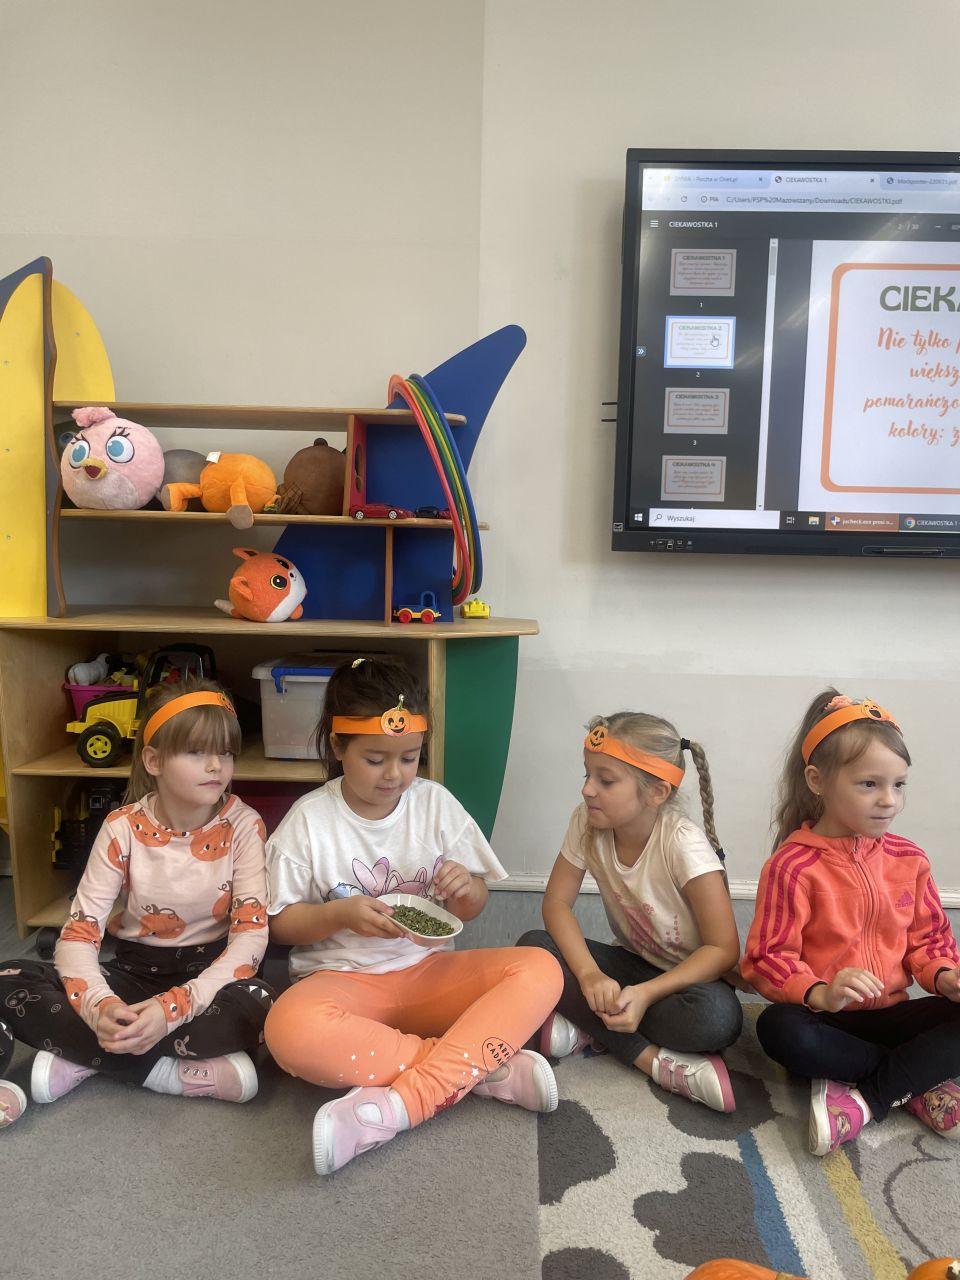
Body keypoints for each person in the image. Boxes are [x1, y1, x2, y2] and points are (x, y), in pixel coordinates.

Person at [263, 656, 564, 1175]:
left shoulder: (435, 804)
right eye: (375, 758)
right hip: (342, 983)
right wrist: (339, 914)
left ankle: (405, 1102)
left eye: (409, 758)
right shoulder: (309, 820)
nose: (395, 775)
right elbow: (280, 925)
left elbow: (472, 906)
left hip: (428, 974)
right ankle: (478, 1069)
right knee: (287, 1030)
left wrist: (465, 887)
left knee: (541, 968)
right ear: (337, 746)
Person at [0, 678, 273, 1129]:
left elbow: (251, 938)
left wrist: (174, 1009)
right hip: (132, 974)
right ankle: (166, 1071)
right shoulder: (121, 827)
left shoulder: (244, 825)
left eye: (225, 753)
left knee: (263, 1005)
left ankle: (84, 1056)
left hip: (209, 979)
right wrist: (100, 1007)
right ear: (154, 760)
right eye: (196, 752)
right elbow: (78, 935)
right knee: (9, 978)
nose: (216, 766)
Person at [742, 690, 960, 1156]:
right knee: (777, 1029)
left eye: (898, 785)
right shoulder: (792, 866)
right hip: (824, 1021)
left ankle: (865, 1099)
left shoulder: (910, 859)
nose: (888, 801)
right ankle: (914, 1082)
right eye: (869, 785)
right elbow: (766, 959)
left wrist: (945, 976)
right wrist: (822, 992)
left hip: (891, 1015)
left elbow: (929, 940)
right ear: (817, 781)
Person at [519, 712, 742, 1112]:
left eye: (606, 781)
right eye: (587, 774)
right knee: (533, 948)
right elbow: (556, 904)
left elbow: (723, 951)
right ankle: (649, 1058)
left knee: (718, 1020)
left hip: (688, 984)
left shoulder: (683, 844)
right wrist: (589, 974)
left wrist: (645, 995)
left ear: (656, 792)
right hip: (631, 965)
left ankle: (593, 1027)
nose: (587, 789)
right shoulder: (585, 823)